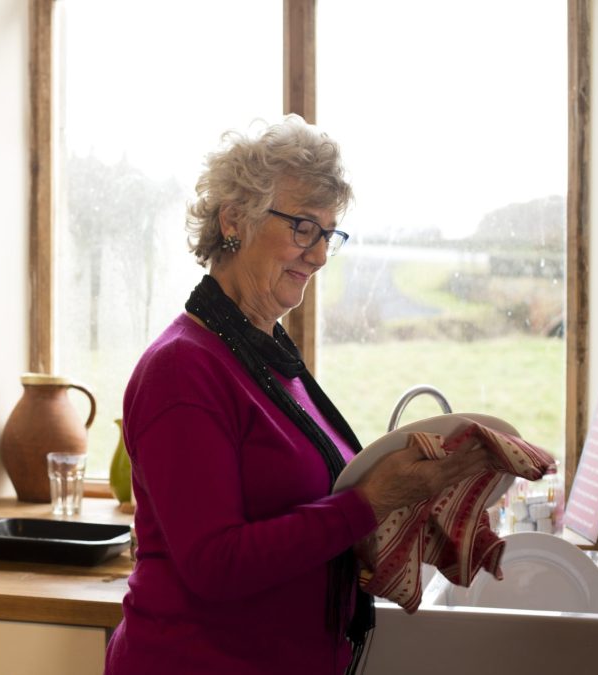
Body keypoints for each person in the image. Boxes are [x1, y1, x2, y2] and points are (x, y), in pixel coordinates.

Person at [103, 115, 491, 675]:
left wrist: (427, 525)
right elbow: (216, 564)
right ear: (234, 219)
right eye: (303, 227)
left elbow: (304, 523)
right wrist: (368, 504)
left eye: (329, 233)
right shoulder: (183, 369)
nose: (320, 254)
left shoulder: (264, 355)